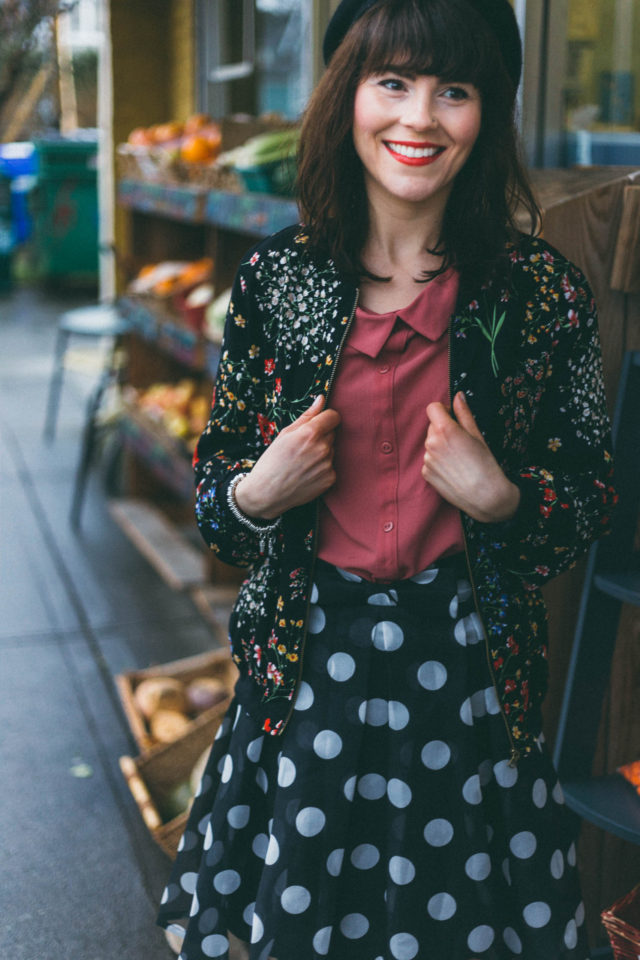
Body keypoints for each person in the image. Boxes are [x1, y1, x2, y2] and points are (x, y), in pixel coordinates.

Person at [157, 1, 617, 958]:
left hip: (471, 678)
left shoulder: (540, 296)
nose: (420, 118)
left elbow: (589, 494)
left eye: (456, 89)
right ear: (347, 97)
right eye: (393, 82)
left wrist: (503, 500)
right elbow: (217, 495)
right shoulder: (275, 283)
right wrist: (256, 490)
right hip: (306, 664)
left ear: (488, 113)